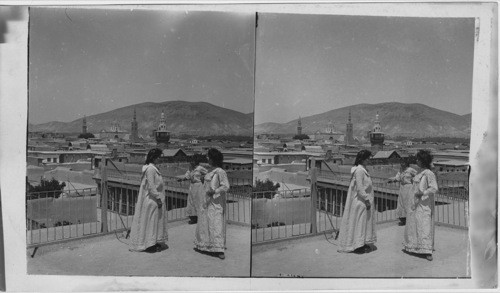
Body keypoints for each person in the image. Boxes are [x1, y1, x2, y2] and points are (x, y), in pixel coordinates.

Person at [129, 148, 168, 252]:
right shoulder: (150, 169)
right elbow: (151, 186)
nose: (160, 159)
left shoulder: (153, 168)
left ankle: (153, 242)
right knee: (151, 222)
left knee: (154, 222)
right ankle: (150, 245)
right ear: (154, 158)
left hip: (155, 199)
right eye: (159, 157)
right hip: (152, 200)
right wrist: (158, 199)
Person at [337, 150, 377, 253]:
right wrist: (366, 200)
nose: (369, 160)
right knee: (360, 223)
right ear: (362, 159)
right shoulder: (359, 171)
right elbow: (360, 188)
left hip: (363, 201)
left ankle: (361, 243)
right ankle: (358, 246)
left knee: (362, 223)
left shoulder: (363, 170)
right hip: (360, 201)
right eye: (367, 158)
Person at [194, 148, 229, 259]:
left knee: (216, 224)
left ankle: (219, 249)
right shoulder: (210, 171)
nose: (207, 158)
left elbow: (226, 186)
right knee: (206, 223)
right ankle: (206, 246)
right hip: (206, 202)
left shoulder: (220, 172)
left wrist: (214, 191)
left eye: (209, 156)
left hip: (216, 202)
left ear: (214, 158)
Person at [403, 149, 438, 261]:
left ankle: (427, 250)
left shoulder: (429, 173)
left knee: (425, 226)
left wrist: (422, 193)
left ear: (423, 161)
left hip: (424, 204)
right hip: (415, 204)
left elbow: (434, 188)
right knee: (415, 225)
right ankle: (415, 247)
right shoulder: (419, 173)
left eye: (418, 159)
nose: (416, 161)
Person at [178, 154, 208, 224]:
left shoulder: (200, 168)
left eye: (192, 161)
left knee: (199, 201)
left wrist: (203, 177)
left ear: (196, 161)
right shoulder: (191, 168)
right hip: (192, 186)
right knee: (191, 202)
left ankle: (200, 217)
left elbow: (208, 173)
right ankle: (193, 218)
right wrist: (182, 179)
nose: (191, 162)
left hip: (199, 186)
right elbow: (187, 175)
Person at [388, 159, 417, 226]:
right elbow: (397, 178)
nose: (402, 164)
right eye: (401, 163)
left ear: (406, 164)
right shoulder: (401, 170)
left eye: (403, 163)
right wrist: (392, 180)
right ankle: (403, 219)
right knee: (401, 204)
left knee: (409, 203)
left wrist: (414, 182)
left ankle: (410, 219)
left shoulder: (410, 170)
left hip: (409, 188)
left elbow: (417, 176)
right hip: (402, 188)